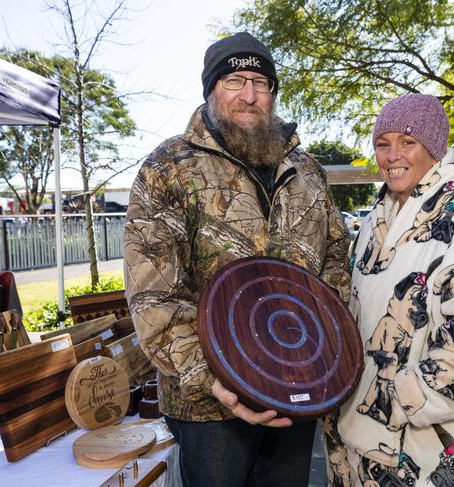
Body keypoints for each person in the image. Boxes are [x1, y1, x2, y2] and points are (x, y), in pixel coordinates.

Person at [123, 32, 351, 486]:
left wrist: (325, 358)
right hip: (209, 407)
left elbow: (335, 264)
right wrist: (215, 382)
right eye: (235, 79)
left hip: (295, 395)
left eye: (261, 82)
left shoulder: (305, 171)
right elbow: (152, 296)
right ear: (211, 89)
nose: (249, 95)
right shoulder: (167, 169)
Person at [324, 94, 454, 486]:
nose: (392, 155)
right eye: (383, 144)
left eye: (407, 142)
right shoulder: (372, 227)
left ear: (434, 149)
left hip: (433, 455)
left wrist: (389, 400)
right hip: (363, 447)